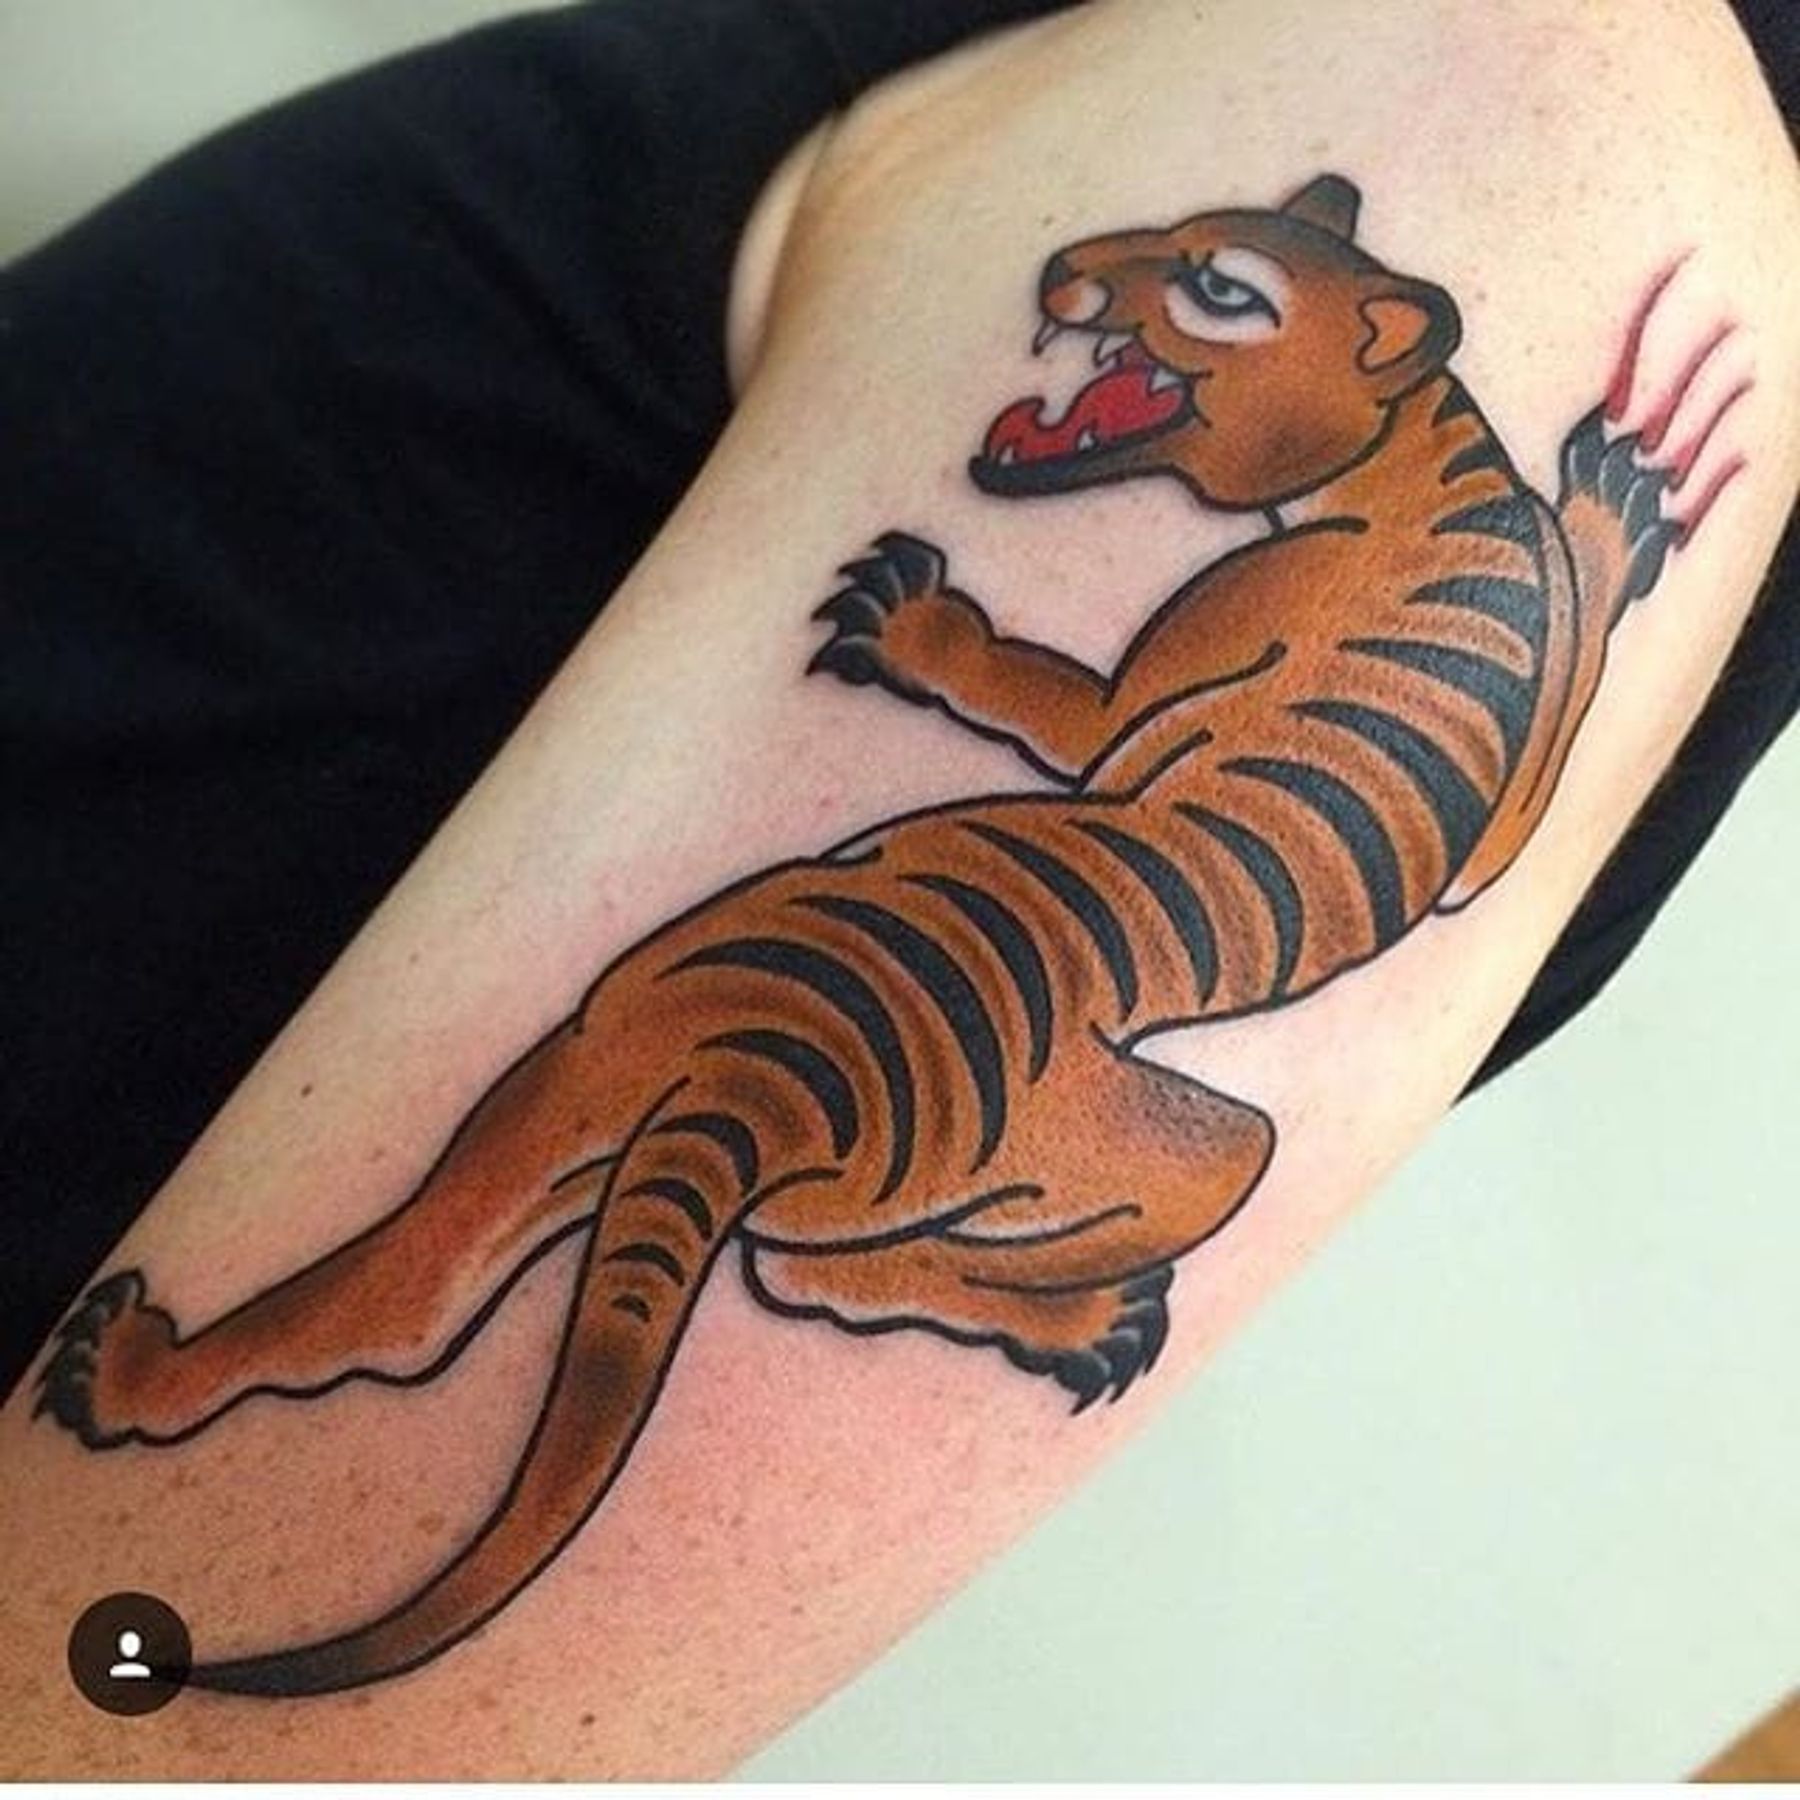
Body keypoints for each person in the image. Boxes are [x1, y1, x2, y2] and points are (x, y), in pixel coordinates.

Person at [1, 0, 1795, 1778]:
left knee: (493, 1225)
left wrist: (947, 649)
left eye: (1214, 295)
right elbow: (1471, 841)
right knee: (1183, 1159)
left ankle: (183, 1379)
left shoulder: (1517, 107)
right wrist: (1585, 580)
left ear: (1387, 342)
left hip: (930, 935)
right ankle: (915, 1254)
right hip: (1032, 1049)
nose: (1109, 283)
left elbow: (1106, 731)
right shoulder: (1518, 582)